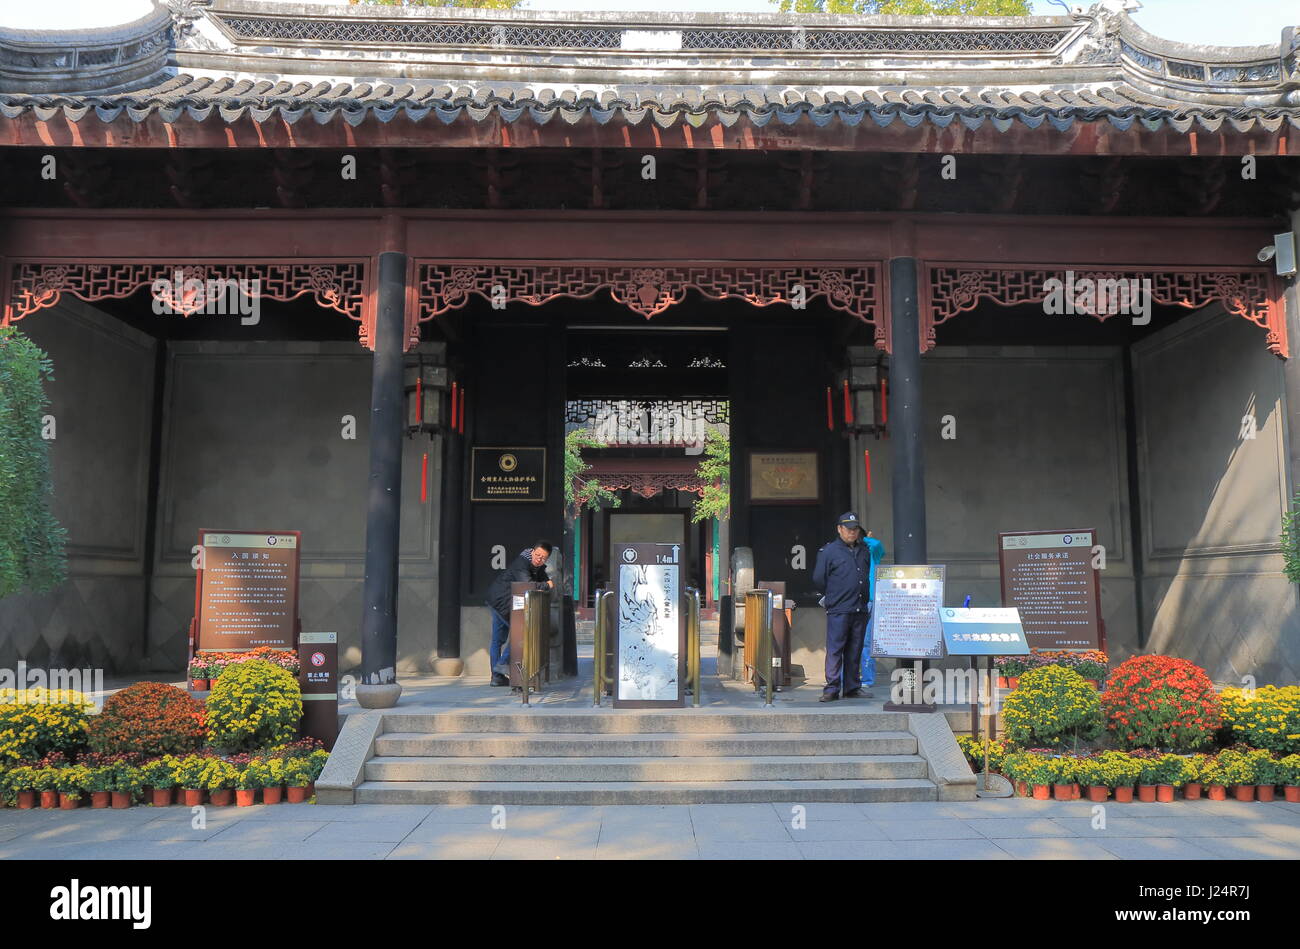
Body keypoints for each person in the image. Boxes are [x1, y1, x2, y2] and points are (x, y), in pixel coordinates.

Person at [812, 512, 886, 702]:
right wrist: (834, 595)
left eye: (855, 529)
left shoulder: (863, 549)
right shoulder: (829, 551)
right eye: (848, 529)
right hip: (839, 607)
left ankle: (852, 686)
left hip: (860, 607)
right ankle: (832, 687)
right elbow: (819, 579)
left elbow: (866, 570)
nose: (852, 533)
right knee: (836, 649)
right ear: (839, 529)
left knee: (855, 648)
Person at [485, 541, 554, 687]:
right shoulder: (522, 562)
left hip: (501, 601)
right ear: (532, 552)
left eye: (543, 558)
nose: (539, 559)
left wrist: (546, 582)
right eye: (537, 555)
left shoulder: (538, 567)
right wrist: (547, 585)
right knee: (520, 634)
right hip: (500, 601)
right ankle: (501, 666)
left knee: (499, 640)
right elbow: (527, 585)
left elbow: (542, 578)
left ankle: (496, 677)